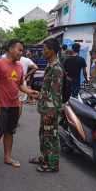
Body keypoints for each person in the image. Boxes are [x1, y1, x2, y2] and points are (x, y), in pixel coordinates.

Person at [0, 39, 39, 177]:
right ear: (11, 49)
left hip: (14, 105)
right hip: (1, 105)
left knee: (9, 132)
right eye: (19, 50)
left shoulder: (19, 66)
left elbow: (20, 85)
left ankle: (7, 157)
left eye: (22, 50)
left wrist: (29, 92)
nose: (22, 52)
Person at [29, 38, 63, 173]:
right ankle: (45, 158)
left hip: (50, 110)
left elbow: (55, 93)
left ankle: (53, 164)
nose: (43, 51)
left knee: (51, 137)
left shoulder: (57, 68)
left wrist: (49, 112)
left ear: (52, 51)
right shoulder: (51, 66)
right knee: (43, 134)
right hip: (45, 108)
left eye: (45, 49)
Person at [18, 55, 38, 120]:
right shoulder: (26, 60)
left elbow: (35, 67)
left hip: (17, 83)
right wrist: (26, 75)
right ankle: (16, 121)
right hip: (22, 82)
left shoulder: (4, 57)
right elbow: (35, 67)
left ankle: (13, 122)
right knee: (19, 102)